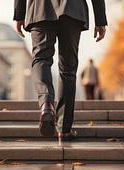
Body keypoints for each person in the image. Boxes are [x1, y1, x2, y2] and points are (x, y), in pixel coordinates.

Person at [14, 0, 107, 141]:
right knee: (68, 70)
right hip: (72, 9)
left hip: (40, 9)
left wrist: (19, 13)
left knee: (41, 60)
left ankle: (46, 103)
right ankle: (64, 129)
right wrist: (100, 19)